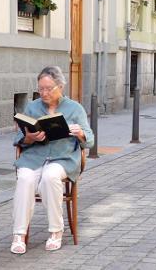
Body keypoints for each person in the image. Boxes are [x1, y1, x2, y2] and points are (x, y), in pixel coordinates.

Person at [10, 66, 94, 254]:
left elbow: (90, 139)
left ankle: (56, 231)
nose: (44, 93)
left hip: (62, 158)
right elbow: (18, 139)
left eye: (48, 89)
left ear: (60, 87)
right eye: (41, 89)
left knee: (50, 177)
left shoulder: (75, 108)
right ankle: (19, 234)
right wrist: (29, 138)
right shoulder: (33, 107)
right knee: (24, 178)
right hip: (34, 157)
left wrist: (80, 133)